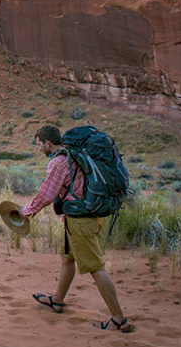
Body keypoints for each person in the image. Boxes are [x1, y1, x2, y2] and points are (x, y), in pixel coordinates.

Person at [24, 124, 134, 332]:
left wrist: (26, 211)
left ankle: (119, 319)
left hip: (80, 221)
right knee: (68, 258)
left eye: (39, 144)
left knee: (96, 268)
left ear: (47, 143)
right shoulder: (72, 154)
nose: (39, 149)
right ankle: (57, 300)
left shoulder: (59, 162)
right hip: (85, 217)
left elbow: (47, 194)